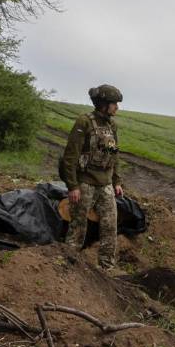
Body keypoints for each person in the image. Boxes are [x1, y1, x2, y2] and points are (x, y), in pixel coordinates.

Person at [61, 84, 125, 270]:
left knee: (110, 226)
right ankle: (68, 264)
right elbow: (70, 156)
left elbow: (114, 155)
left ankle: (106, 268)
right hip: (85, 183)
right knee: (78, 227)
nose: (117, 107)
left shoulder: (112, 125)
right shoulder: (84, 122)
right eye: (114, 103)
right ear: (104, 104)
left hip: (105, 184)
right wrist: (72, 186)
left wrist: (117, 181)